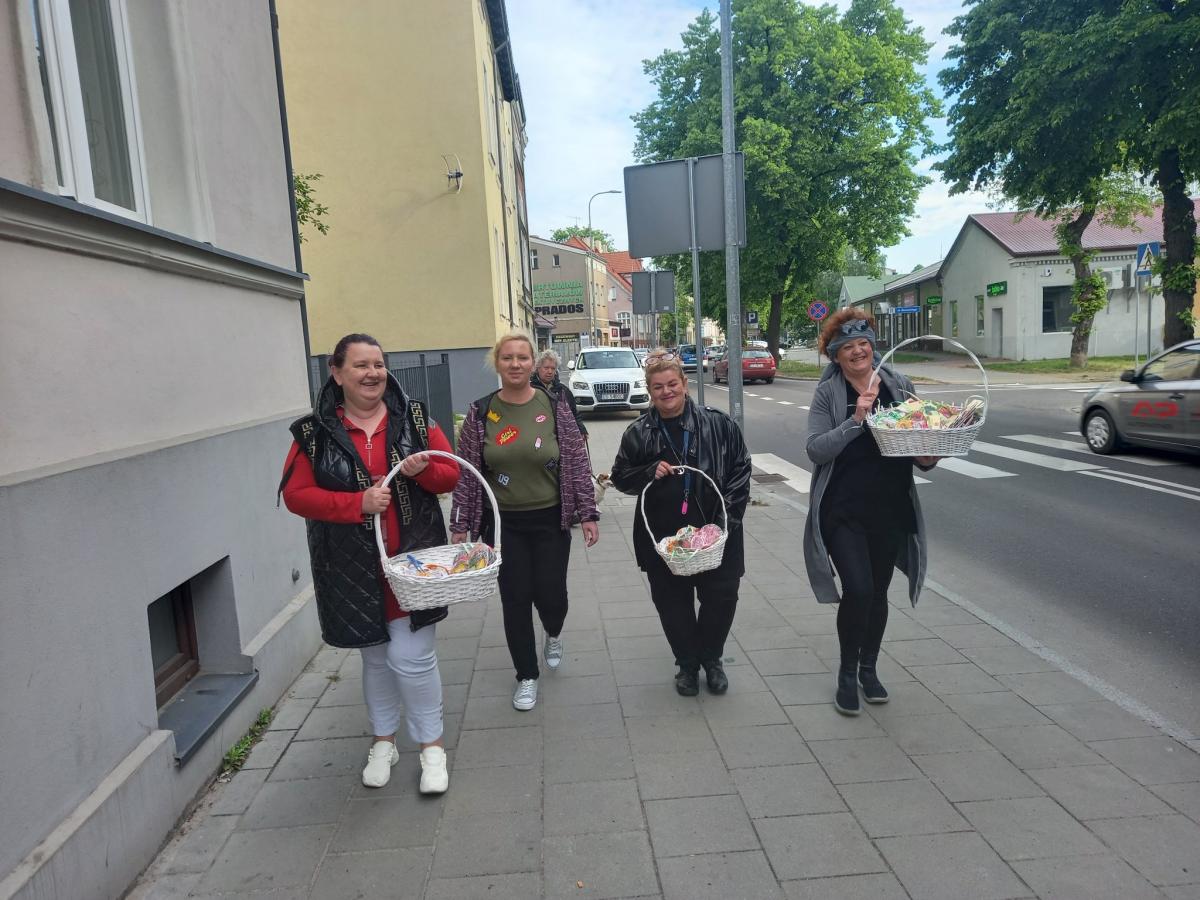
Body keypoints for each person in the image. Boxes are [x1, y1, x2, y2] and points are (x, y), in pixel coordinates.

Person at [279, 333, 460, 792]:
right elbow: (297, 496)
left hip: (413, 564)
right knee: (376, 659)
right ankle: (384, 741)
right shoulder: (314, 433)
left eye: (378, 364)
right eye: (360, 365)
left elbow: (451, 474)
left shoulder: (414, 418)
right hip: (353, 566)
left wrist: (424, 470)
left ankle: (432, 747)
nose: (372, 373)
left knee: (411, 658)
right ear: (337, 373)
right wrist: (355, 503)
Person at [450, 332, 599, 711]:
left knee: (552, 596)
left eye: (522, 357)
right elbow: (468, 474)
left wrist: (588, 513)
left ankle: (553, 631)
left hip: (551, 518)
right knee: (515, 599)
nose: (515, 364)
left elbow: (576, 461)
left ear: (533, 363)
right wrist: (459, 524)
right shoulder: (480, 412)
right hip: (503, 525)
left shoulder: (554, 405)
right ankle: (526, 675)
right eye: (507, 357)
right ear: (496, 363)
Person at [802, 310, 938, 716]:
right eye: (848, 347)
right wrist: (856, 419)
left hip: (889, 505)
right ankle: (847, 673)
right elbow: (815, 449)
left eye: (863, 343)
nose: (858, 351)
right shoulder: (828, 393)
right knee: (858, 590)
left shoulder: (900, 385)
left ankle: (869, 669)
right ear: (835, 355)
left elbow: (919, 440)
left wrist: (929, 456)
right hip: (843, 508)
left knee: (878, 593)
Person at [610, 351, 751, 696]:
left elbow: (741, 469)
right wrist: (647, 472)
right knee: (672, 605)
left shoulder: (718, 424)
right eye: (658, 387)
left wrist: (723, 523)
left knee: (721, 599)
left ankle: (712, 659)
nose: (667, 391)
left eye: (672, 384)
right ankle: (687, 665)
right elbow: (620, 477)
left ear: (685, 384)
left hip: (716, 534)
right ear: (649, 391)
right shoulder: (638, 433)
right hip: (664, 539)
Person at [531, 348, 588, 441]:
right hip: (537, 436)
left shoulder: (563, 390)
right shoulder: (530, 390)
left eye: (553, 368)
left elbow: (574, 412)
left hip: (560, 438)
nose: (550, 371)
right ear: (538, 368)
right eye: (546, 368)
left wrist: (582, 429)